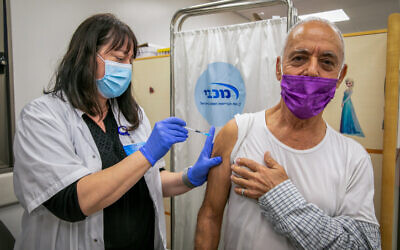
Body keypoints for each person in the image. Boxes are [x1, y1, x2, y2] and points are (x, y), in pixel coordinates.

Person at [13, 13, 221, 250]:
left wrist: (189, 177)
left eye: (130, 61)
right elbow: (72, 201)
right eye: (119, 58)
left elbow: (150, 180)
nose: (126, 68)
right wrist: (147, 154)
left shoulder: (132, 114)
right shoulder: (42, 117)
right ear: (86, 56)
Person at [195, 17, 381, 249]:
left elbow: (362, 246)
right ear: (278, 68)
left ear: (340, 77)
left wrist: (281, 195)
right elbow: (210, 216)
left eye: (326, 62)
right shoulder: (238, 132)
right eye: (299, 58)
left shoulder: (354, 159)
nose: (312, 71)